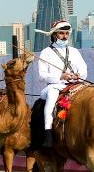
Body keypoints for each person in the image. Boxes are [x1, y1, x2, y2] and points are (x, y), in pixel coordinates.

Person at [37, 20, 88, 148]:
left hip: (75, 85)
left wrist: (78, 75)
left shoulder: (74, 51)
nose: (65, 36)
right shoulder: (45, 52)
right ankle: (48, 133)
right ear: (54, 35)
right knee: (51, 100)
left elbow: (84, 69)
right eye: (61, 33)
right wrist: (60, 76)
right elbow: (42, 76)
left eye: (67, 33)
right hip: (54, 86)